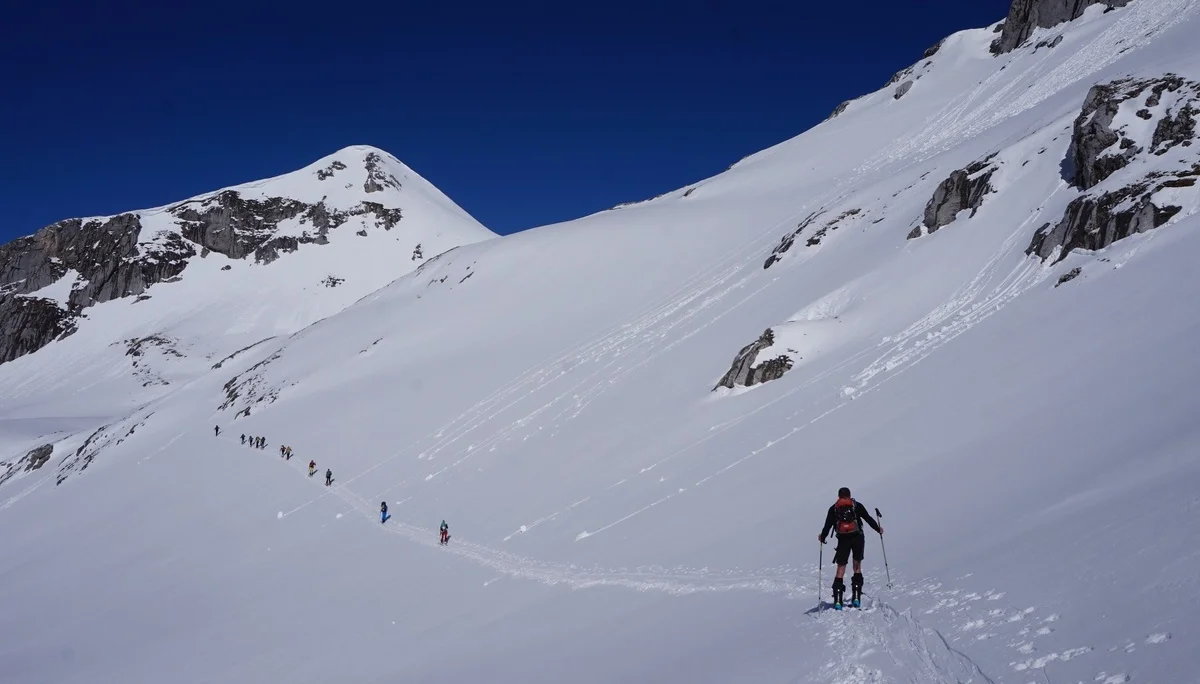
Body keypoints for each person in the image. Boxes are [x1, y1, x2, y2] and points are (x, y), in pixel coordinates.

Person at [819, 487, 883, 609]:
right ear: (849, 495)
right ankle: (856, 597)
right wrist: (878, 529)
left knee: (841, 567)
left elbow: (827, 526)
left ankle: (838, 600)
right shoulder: (856, 505)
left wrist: (822, 537)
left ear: (838, 496)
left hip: (843, 540)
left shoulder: (833, 509)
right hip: (857, 537)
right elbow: (868, 518)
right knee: (857, 565)